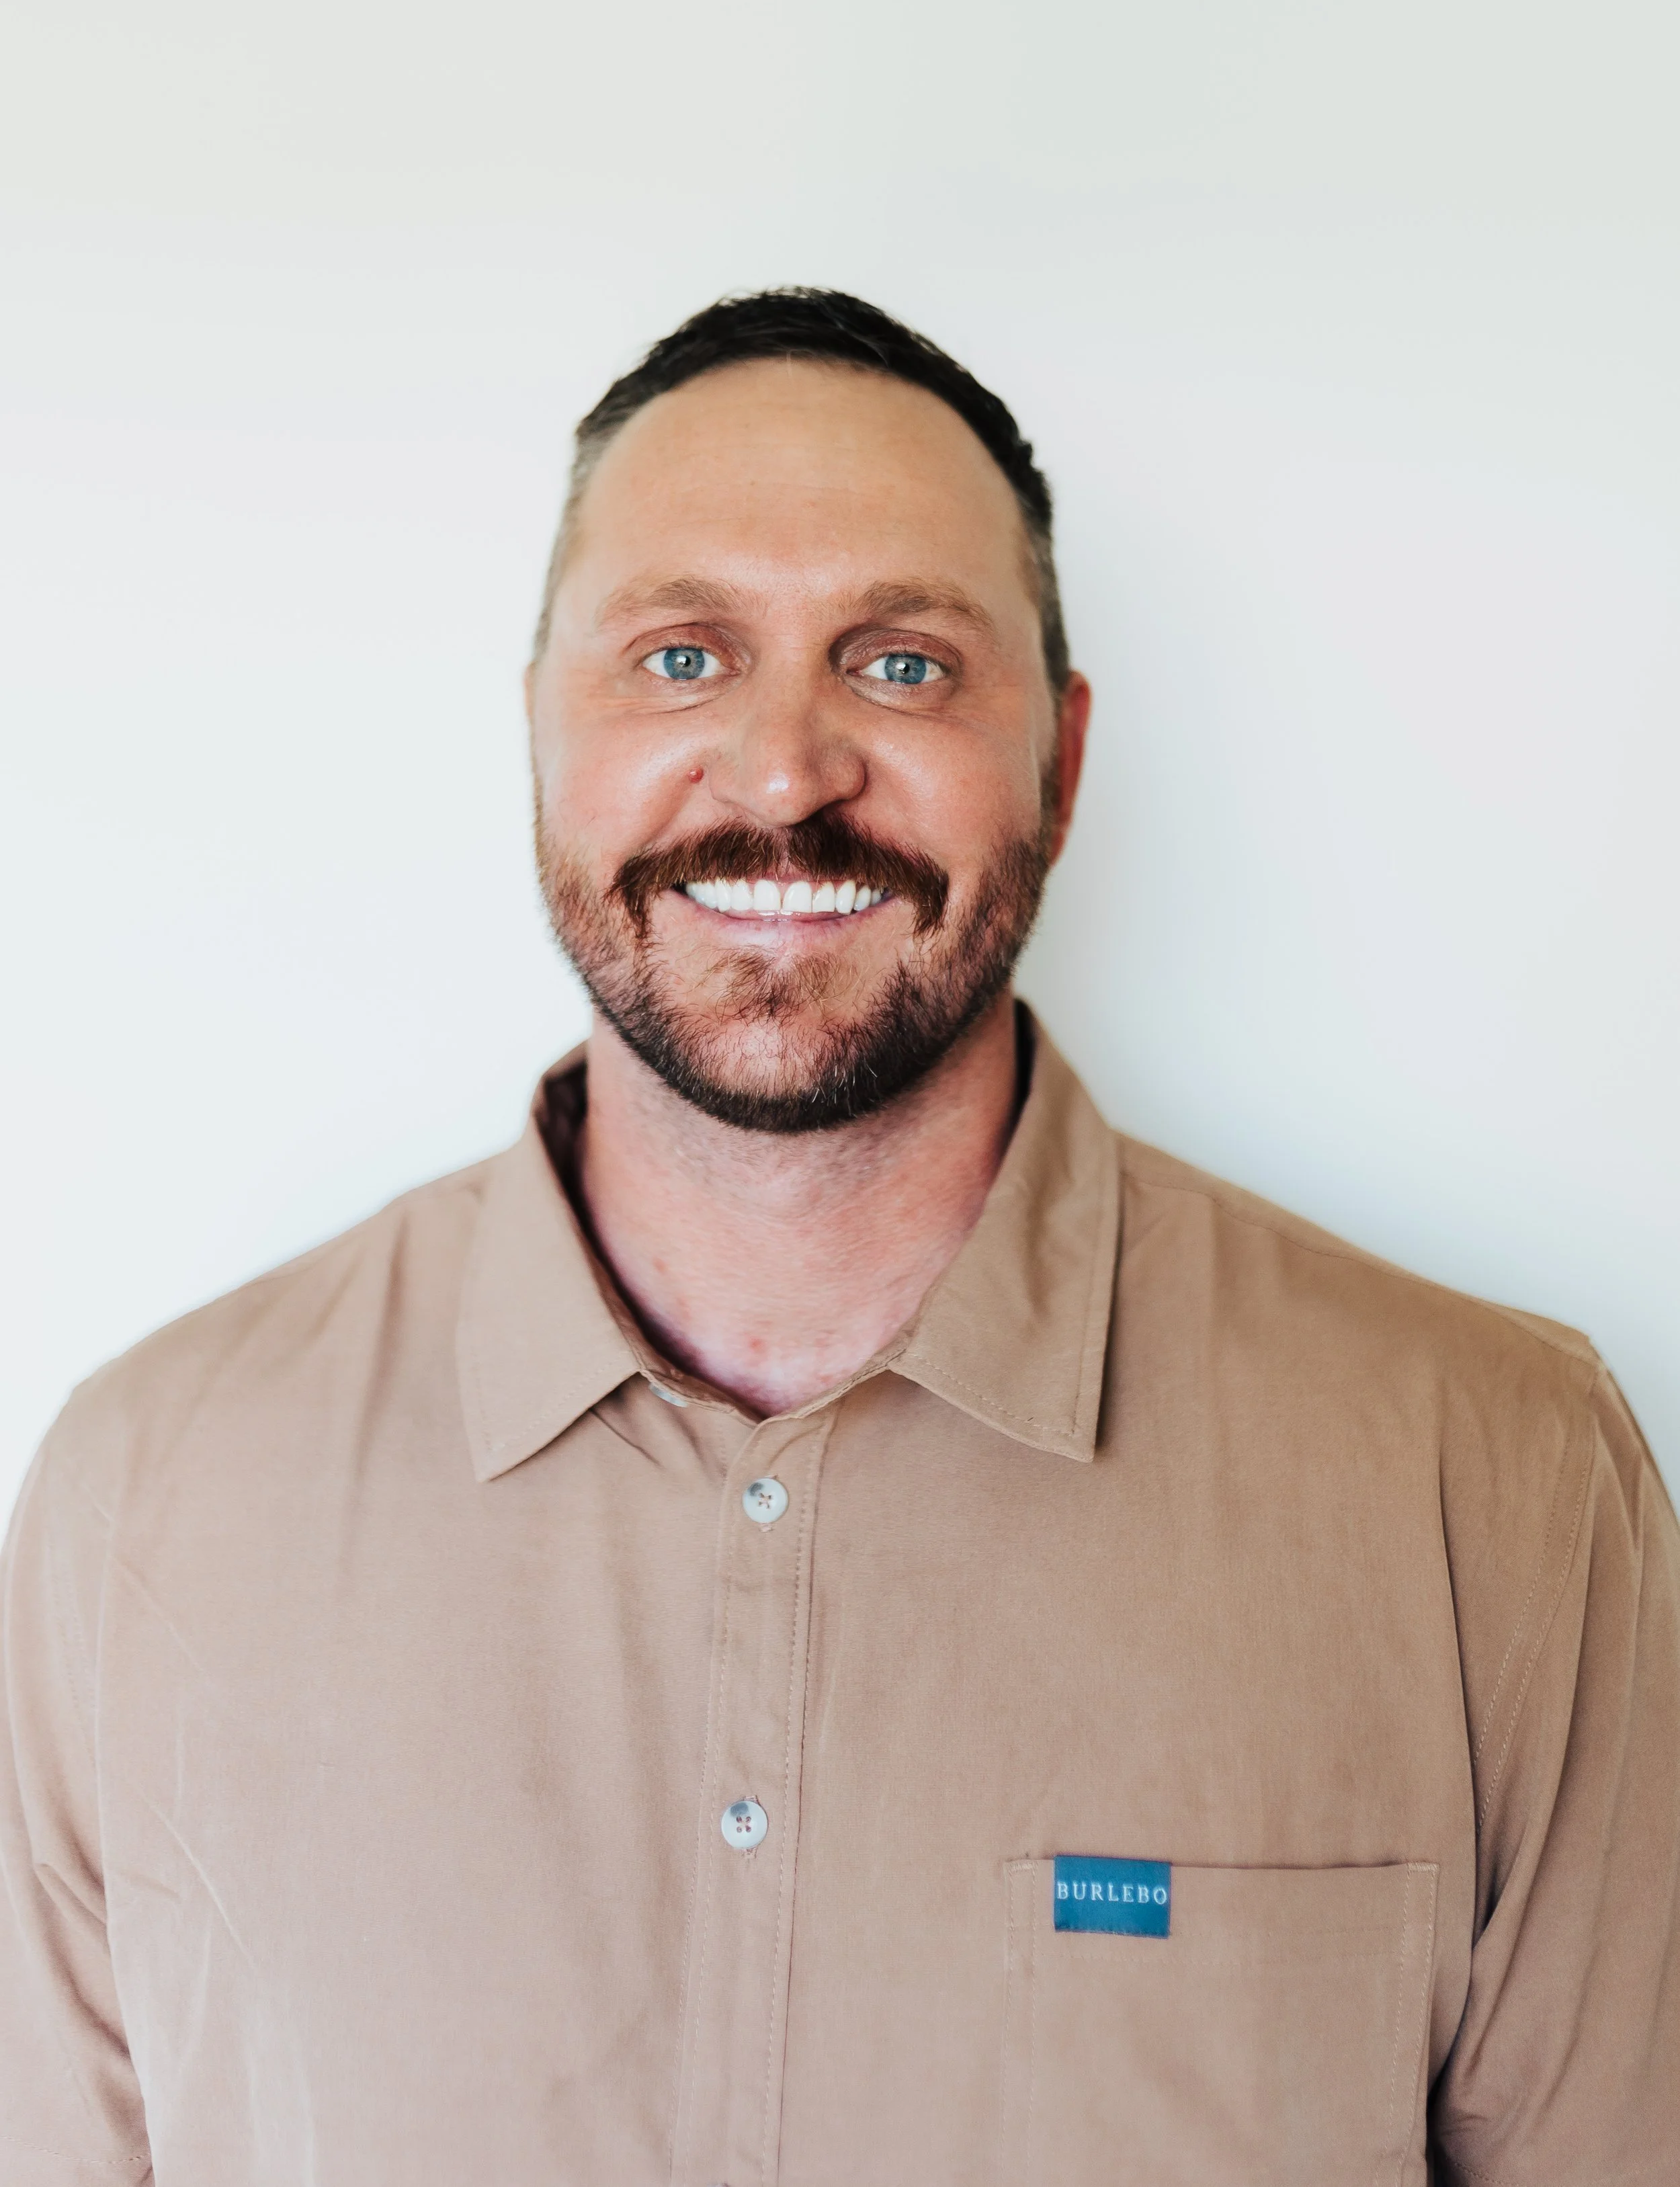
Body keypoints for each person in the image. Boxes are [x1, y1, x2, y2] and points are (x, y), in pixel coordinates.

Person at [1, 288, 1675, 2187]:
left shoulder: (1495, 1486)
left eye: (900, 665)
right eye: (680, 656)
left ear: (1060, 763)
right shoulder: (147, 1503)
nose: (784, 771)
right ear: (539, 731)